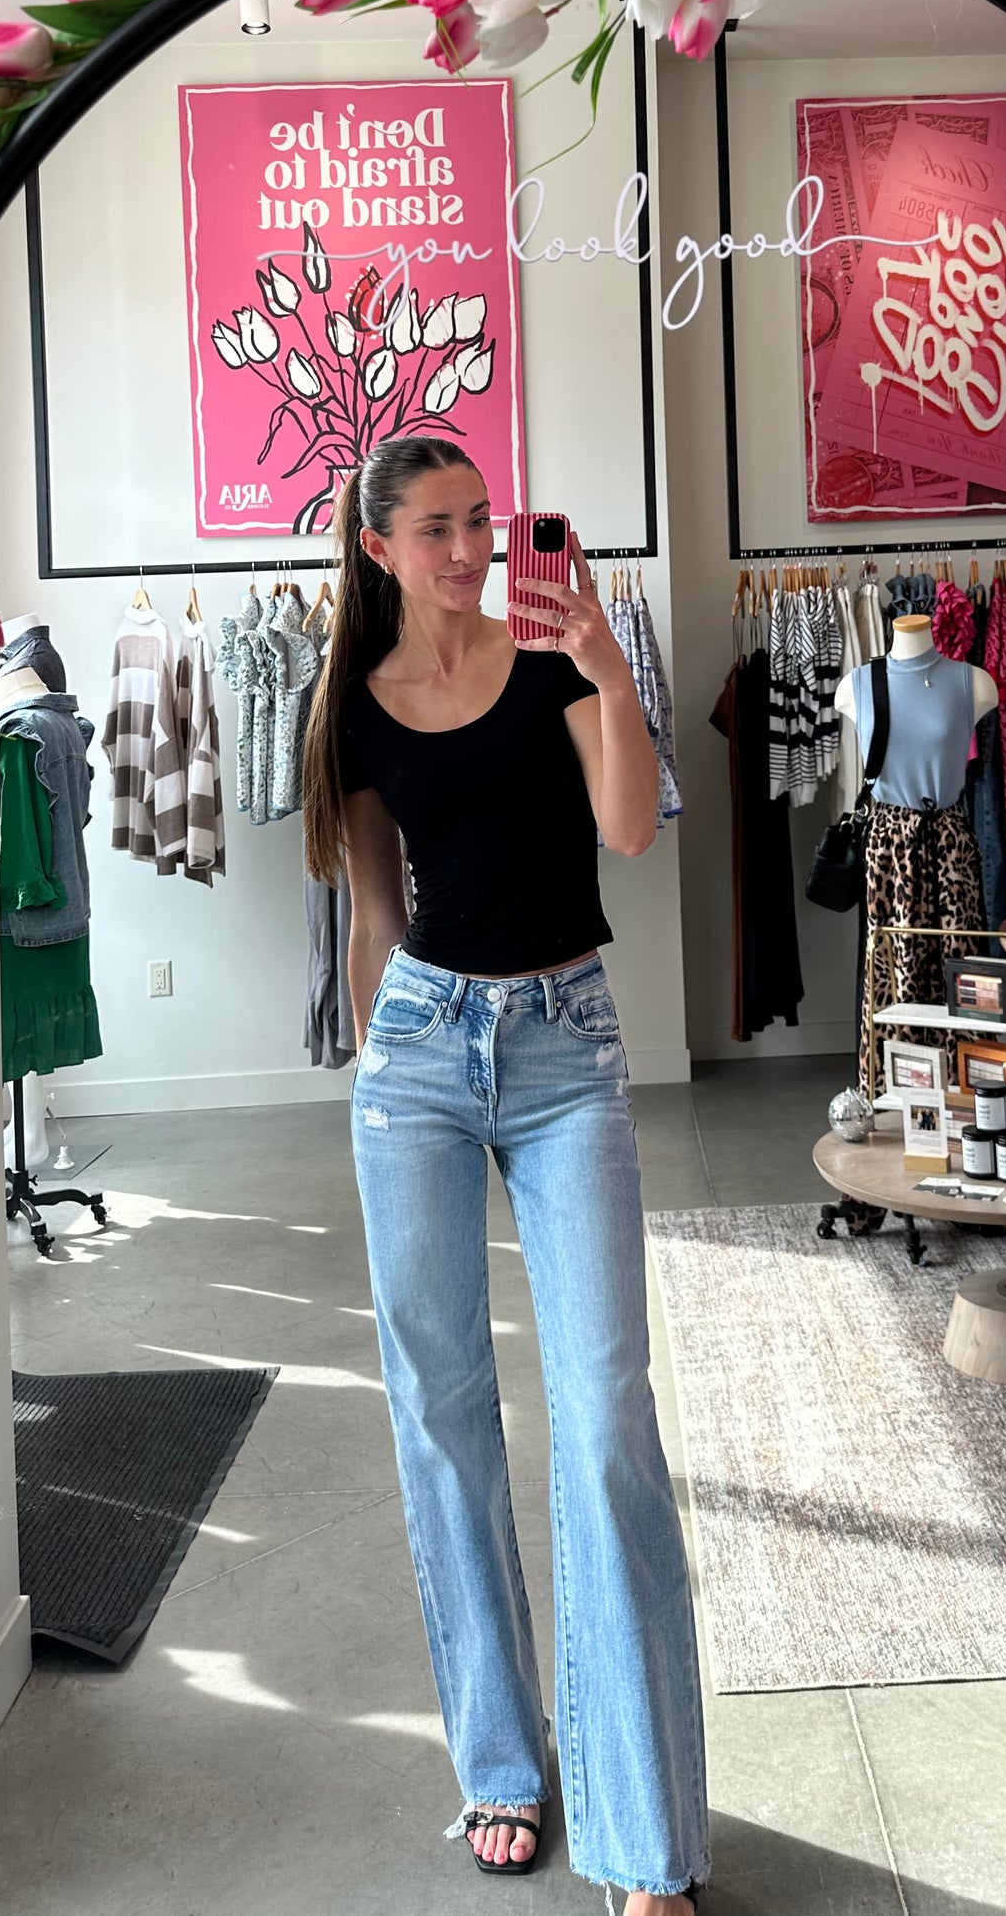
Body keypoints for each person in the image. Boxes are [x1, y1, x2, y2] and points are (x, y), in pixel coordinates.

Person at [301, 435, 708, 1913]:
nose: (473, 547)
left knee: (603, 1422)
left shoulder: (556, 661)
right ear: (379, 547)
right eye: (439, 528)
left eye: (483, 519)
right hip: (417, 1056)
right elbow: (373, 906)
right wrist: (373, 1059)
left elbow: (625, 829)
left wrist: (606, 665)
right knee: (442, 1420)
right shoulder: (350, 705)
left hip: (564, 1051)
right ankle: (500, 1764)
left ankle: (646, 1843)